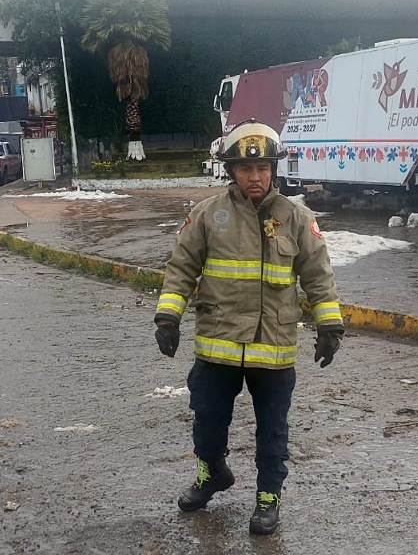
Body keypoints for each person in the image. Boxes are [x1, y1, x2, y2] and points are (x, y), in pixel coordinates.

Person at [153, 119, 344, 535]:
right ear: (231, 171)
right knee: (206, 420)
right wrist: (168, 317)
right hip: (217, 344)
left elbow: (318, 277)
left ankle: (268, 497)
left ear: (273, 169)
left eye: (262, 169)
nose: (254, 177)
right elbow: (181, 268)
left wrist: (330, 327)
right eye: (245, 169)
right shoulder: (207, 215)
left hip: (273, 348)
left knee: (272, 430)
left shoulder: (296, 218)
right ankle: (212, 473)